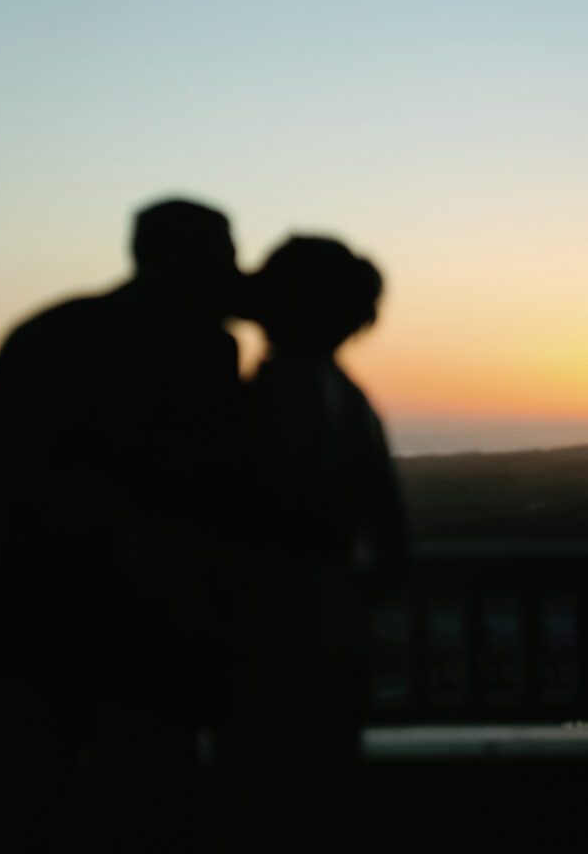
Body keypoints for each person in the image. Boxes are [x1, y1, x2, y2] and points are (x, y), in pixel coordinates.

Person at [0, 198, 244, 852]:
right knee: (150, 813)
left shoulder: (43, 331)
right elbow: (210, 494)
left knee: (23, 812)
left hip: (22, 625)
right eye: (225, 253)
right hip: (148, 636)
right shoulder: (198, 347)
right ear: (199, 259)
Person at [231, 236, 409, 853]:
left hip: (279, 643)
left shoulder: (283, 394)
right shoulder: (350, 396)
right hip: (331, 635)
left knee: (275, 809)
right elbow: (393, 549)